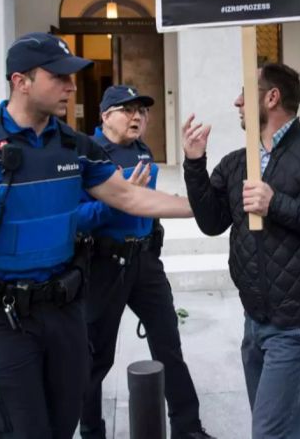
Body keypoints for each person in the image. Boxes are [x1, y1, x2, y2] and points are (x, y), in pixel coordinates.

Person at [0, 33, 194, 438]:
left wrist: (204, 208)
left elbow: (130, 197)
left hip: (64, 313)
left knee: (62, 424)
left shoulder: (74, 146)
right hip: (1, 318)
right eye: (58, 76)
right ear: (21, 81)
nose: (71, 85)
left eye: (70, 77)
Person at [182, 63, 300, 439]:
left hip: (296, 325)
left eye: (245, 93)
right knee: (283, 430)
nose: (237, 101)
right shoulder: (239, 162)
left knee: (269, 432)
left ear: (272, 98)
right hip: (255, 319)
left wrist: (277, 205)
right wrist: (193, 162)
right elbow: (211, 221)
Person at [79, 85, 212, 439]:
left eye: (142, 110)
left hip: (144, 262)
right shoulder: (86, 155)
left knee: (168, 346)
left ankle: (188, 428)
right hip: (104, 265)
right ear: (105, 116)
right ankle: (92, 431)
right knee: (95, 359)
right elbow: (75, 218)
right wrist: (115, 200)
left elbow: (149, 203)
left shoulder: (143, 151)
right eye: (127, 110)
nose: (137, 116)